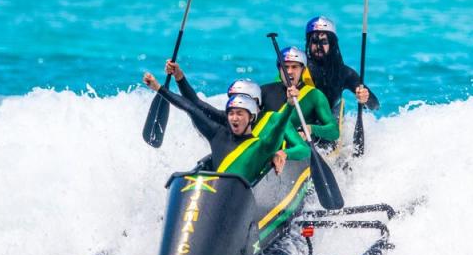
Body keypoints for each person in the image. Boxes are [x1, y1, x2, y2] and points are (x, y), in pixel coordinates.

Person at [142, 69, 297, 182]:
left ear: (252, 114)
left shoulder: (262, 145)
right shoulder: (218, 133)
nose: (234, 118)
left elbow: (279, 128)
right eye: (231, 112)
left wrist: (290, 105)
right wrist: (160, 87)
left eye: (240, 113)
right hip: (215, 199)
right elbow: (192, 107)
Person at [162, 60, 311, 168]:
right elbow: (196, 103)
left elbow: (304, 149)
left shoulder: (275, 119)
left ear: (255, 103)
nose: (236, 108)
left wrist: (284, 154)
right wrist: (179, 77)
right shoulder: (231, 121)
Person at [259, 46, 339, 146]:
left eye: (294, 67)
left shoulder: (314, 95)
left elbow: (334, 131)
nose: (289, 71)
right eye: (285, 67)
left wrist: (311, 129)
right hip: (266, 150)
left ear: (303, 70)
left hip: (296, 152)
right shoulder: (264, 91)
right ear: (279, 69)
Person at [304, 16, 378, 115]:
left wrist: (365, 98)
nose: (318, 46)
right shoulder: (299, 68)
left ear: (332, 44)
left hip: (332, 121)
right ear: (308, 43)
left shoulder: (344, 73)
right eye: (314, 41)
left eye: (324, 42)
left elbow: (375, 105)